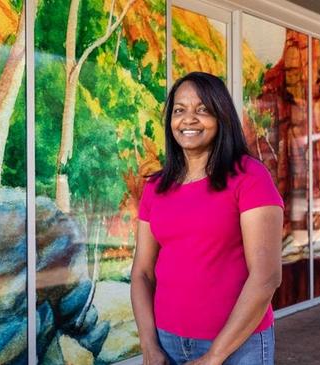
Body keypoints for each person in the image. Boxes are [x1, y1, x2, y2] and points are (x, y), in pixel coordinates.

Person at [130, 71, 284, 365]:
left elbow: (266, 277)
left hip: (238, 346)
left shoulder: (250, 178)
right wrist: (149, 346)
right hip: (167, 344)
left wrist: (214, 357)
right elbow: (142, 273)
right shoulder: (156, 187)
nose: (188, 119)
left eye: (202, 110)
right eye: (179, 110)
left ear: (221, 117)